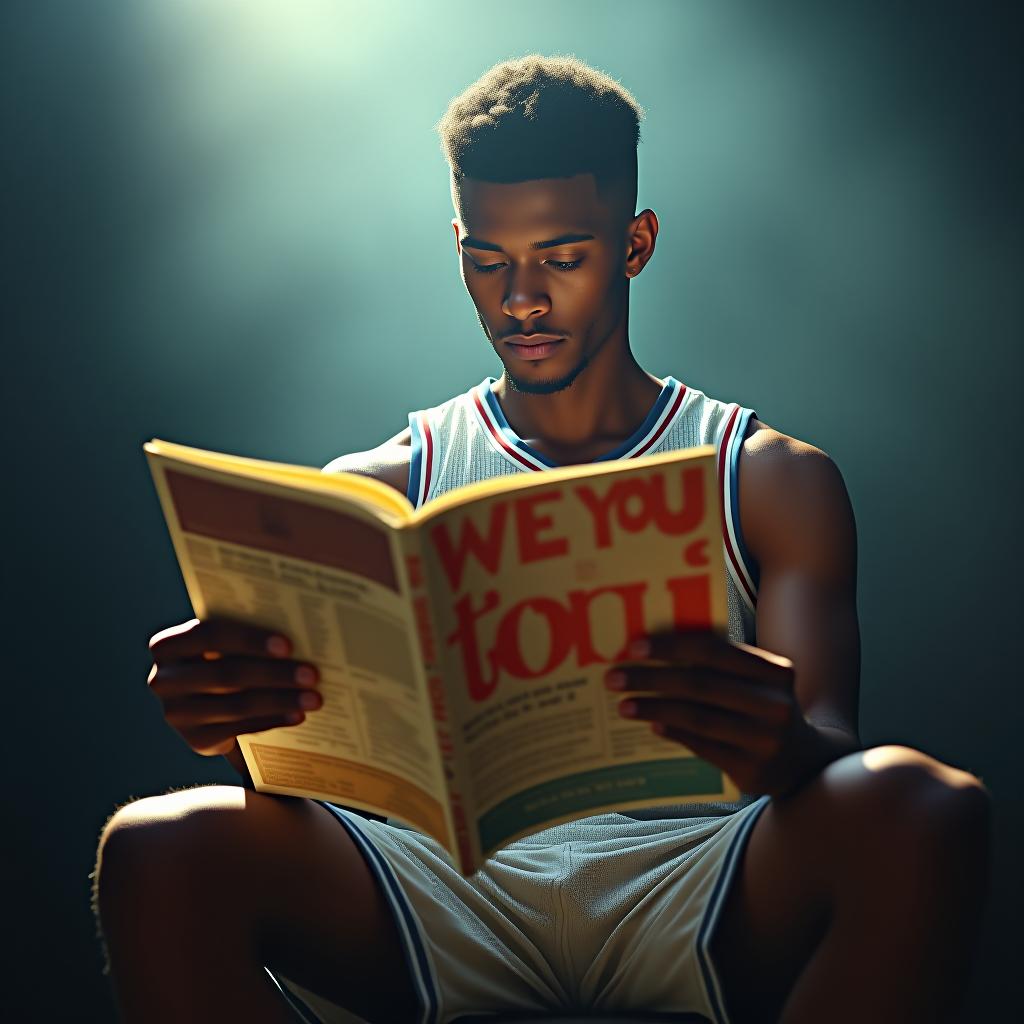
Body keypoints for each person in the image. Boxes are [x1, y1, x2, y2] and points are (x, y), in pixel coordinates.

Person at [93, 54, 992, 1024]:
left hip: (691, 873)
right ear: (458, 247)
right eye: (488, 261)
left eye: (561, 258)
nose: (520, 300)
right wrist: (230, 718)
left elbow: (830, 749)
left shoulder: (766, 478)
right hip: (440, 890)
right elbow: (315, 775)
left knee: (922, 805)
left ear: (635, 242)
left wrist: (778, 746)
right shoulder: (377, 490)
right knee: (157, 845)